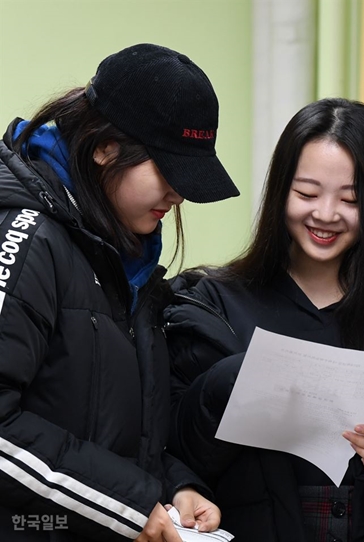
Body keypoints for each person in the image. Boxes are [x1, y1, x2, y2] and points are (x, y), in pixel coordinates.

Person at [163, 97, 364, 542]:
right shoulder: (212, 305)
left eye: (350, 199)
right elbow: (171, 454)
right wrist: (228, 384)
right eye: (306, 193)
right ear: (279, 191)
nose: (325, 214)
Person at [0, 43, 240, 541]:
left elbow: (115, 428)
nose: (178, 195)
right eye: (168, 171)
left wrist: (175, 489)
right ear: (105, 146)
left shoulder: (125, 258)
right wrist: (129, 505)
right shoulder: (26, 239)